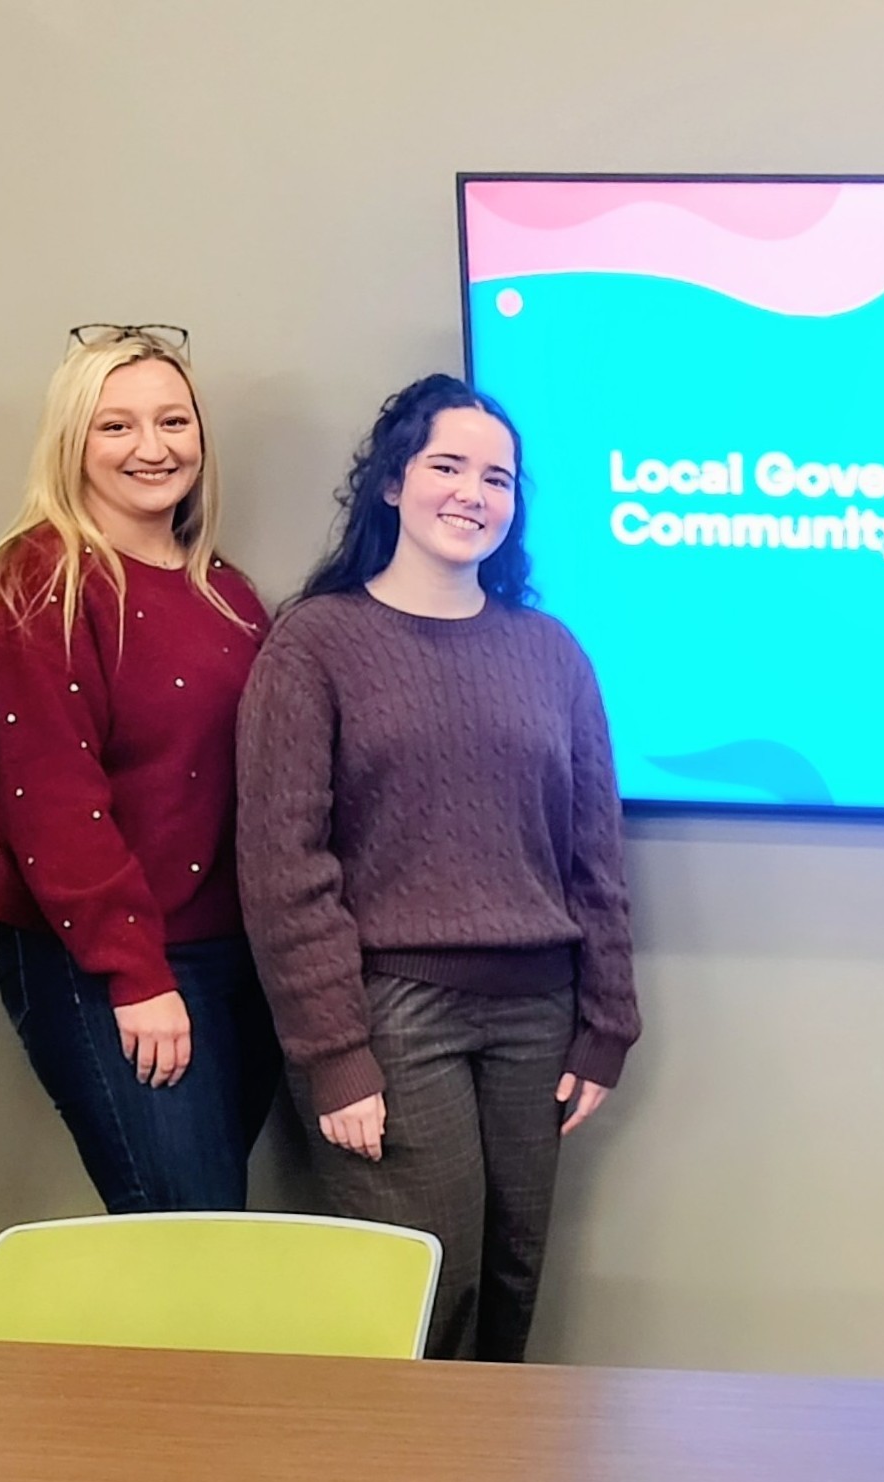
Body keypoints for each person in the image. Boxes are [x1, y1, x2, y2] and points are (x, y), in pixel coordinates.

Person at [239, 374, 636, 1362]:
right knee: (427, 1282)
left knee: (511, 1271)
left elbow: (594, 852)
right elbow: (285, 865)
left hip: (536, 1015)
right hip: (393, 1012)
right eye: (447, 466)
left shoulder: (551, 652)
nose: (473, 493)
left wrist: (608, 1022)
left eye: (496, 477)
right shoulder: (314, 644)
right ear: (390, 484)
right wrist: (333, 1054)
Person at [0, 327, 277, 1211]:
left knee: (211, 1240)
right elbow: (50, 809)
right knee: (191, 1247)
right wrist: (138, 975)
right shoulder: (34, 589)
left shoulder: (230, 593)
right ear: (71, 443)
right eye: (116, 426)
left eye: (174, 420)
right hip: (108, 963)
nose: (153, 447)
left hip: (235, 963)